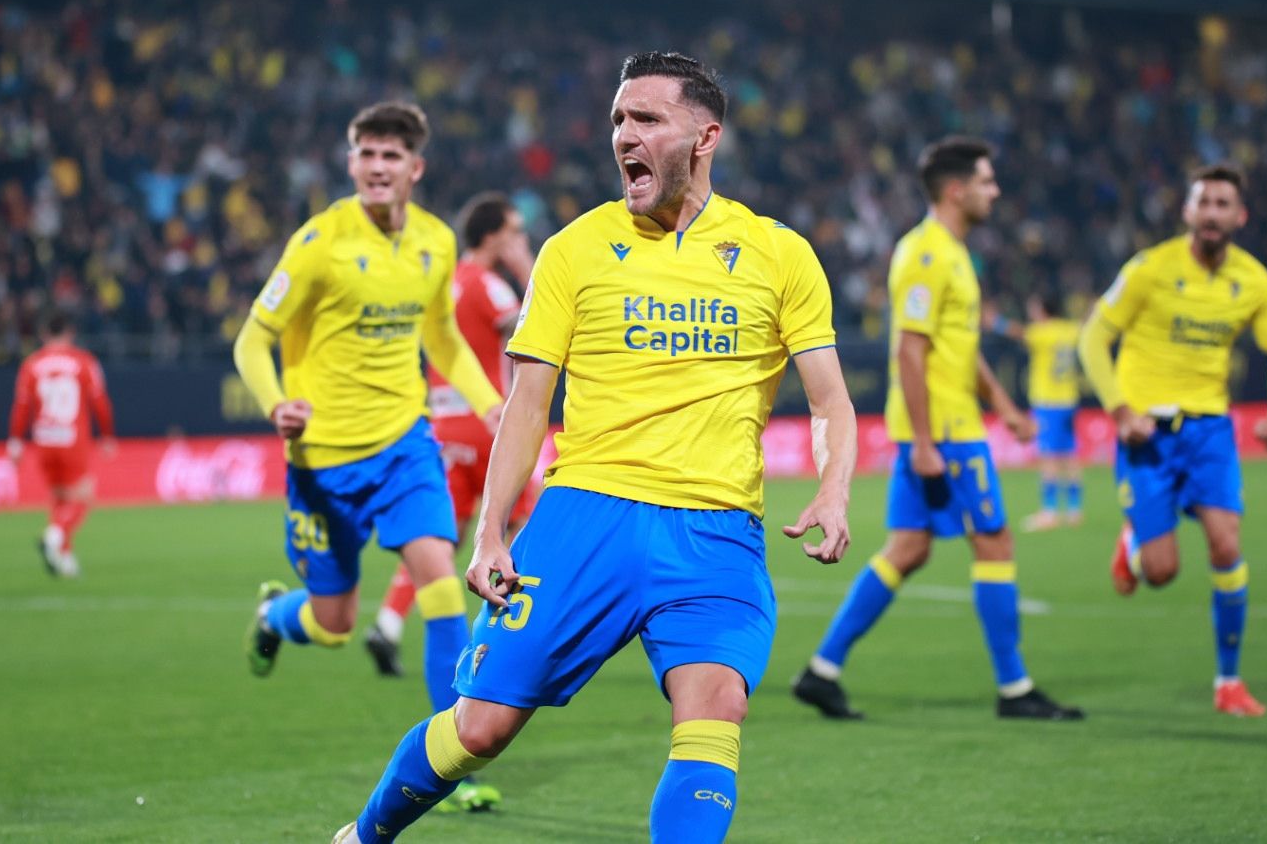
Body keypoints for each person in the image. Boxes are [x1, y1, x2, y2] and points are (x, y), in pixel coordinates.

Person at [330, 51, 859, 843]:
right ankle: (365, 836)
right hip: (586, 519)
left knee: (716, 706)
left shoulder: (777, 253)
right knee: (480, 729)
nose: (623, 135)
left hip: (714, 529)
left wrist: (833, 485)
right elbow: (528, 404)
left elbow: (830, 400)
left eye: (645, 118)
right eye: (618, 119)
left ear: (704, 135)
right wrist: (492, 530)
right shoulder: (574, 249)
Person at [232, 102, 506, 809]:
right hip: (323, 463)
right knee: (333, 625)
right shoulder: (318, 242)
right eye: (366, 154)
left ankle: (454, 760)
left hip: (404, 445)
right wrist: (275, 404)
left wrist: (489, 405)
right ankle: (272, 619)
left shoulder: (436, 242)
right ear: (352, 163)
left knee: (443, 582)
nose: (377, 167)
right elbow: (251, 340)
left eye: (392, 156)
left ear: (415, 168)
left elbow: (441, 337)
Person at [792, 137, 1083, 723]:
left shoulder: (950, 252)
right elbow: (909, 352)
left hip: (948, 426)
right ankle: (1015, 688)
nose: (994, 191)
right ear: (957, 190)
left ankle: (821, 671)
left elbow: (958, 345)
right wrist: (926, 443)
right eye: (986, 181)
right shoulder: (927, 254)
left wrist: (1001, 402)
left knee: (908, 548)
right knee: (995, 542)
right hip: (945, 436)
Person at [1078, 164, 1267, 717]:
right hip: (1147, 433)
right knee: (1162, 573)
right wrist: (1119, 410)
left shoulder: (1254, 281)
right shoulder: (1149, 269)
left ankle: (1229, 682)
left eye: (1223, 204)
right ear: (1187, 212)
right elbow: (1092, 338)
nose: (1212, 213)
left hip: (1209, 432)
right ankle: (1134, 542)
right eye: (1203, 203)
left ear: (1239, 216)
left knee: (1227, 544)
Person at [364, 192, 540, 679]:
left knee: (446, 538)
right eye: (513, 231)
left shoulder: (446, 282)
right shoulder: (489, 285)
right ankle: (509, 627)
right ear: (493, 236)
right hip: (488, 422)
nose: (519, 238)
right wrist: (526, 266)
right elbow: (537, 321)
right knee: (534, 512)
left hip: (443, 424)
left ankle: (387, 624)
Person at [7, 312, 115, 578]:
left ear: (44, 334)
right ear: (70, 333)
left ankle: (63, 557)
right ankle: (55, 537)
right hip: (72, 439)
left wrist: (15, 440)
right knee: (84, 496)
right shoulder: (83, 362)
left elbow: (22, 406)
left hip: (44, 438)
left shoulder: (31, 364)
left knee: (59, 497)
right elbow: (100, 402)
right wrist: (107, 435)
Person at [991, 295, 1085, 530]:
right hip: (1069, 400)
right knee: (1070, 455)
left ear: (1042, 309)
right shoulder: (1068, 330)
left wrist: (995, 322)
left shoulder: (1041, 332)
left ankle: (1049, 511)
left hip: (1049, 402)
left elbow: (1018, 332)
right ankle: (1075, 510)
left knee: (1049, 457)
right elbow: (1087, 326)